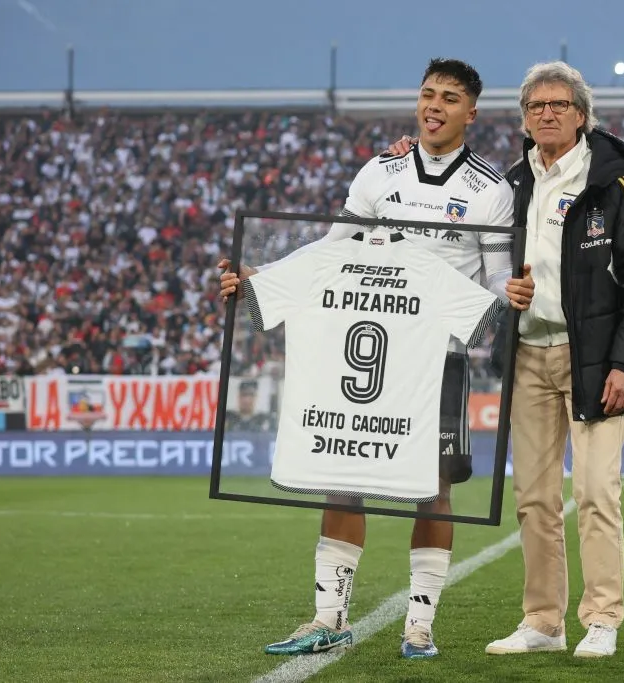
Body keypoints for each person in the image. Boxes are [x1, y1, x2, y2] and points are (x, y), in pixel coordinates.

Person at [218, 58, 535, 660]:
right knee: (342, 481)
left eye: (448, 97)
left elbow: (495, 276)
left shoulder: (490, 191)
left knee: (433, 490)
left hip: (438, 358)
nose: (433, 106)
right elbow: (331, 251)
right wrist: (260, 277)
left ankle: (419, 624)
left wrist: (509, 294)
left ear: (471, 112)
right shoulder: (377, 173)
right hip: (365, 353)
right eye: (426, 94)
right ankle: (326, 616)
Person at [390, 61, 624, 658]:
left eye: (558, 105)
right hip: (527, 356)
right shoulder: (508, 185)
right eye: (535, 106)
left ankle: (601, 618)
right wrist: (411, 156)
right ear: (523, 118)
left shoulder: (615, 184)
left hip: (594, 360)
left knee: (595, 491)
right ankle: (543, 622)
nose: (546, 113)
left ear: (581, 116)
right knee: (534, 499)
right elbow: (444, 187)